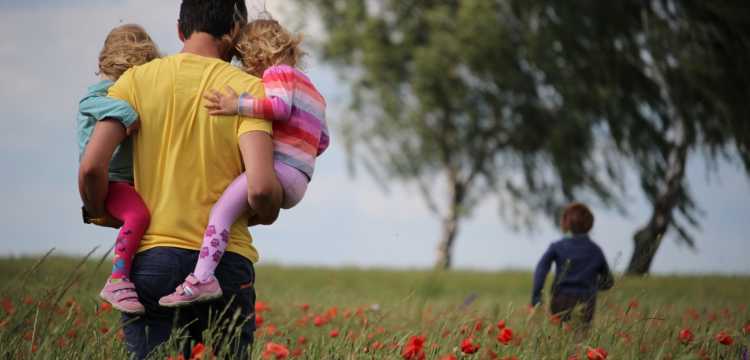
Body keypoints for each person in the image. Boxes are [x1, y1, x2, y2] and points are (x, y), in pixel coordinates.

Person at [77, 0, 283, 358]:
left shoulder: (134, 81)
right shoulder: (248, 90)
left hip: (152, 261)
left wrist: (101, 211)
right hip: (224, 267)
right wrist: (267, 211)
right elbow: (262, 187)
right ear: (235, 31)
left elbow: (92, 167)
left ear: (179, 29)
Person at [159, 18, 330, 307]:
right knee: (237, 209)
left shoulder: (278, 73)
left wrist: (235, 105)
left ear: (257, 54)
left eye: (245, 60)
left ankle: (202, 278)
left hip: (280, 171)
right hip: (300, 178)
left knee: (221, 212)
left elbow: (278, 107)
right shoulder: (314, 91)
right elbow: (323, 141)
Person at [77, 24, 159, 315]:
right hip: (111, 180)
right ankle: (118, 278)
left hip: (126, 180)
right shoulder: (103, 92)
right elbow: (89, 103)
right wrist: (127, 114)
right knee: (138, 215)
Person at [530, 202, 614, 327]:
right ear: (590, 224)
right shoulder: (595, 250)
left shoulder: (557, 247)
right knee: (581, 338)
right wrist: (592, 287)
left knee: (561, 335)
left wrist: (536, 297)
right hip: (586, 300)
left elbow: (541, 270)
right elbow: (608, 281)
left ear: (565, 222)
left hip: (561, 299)